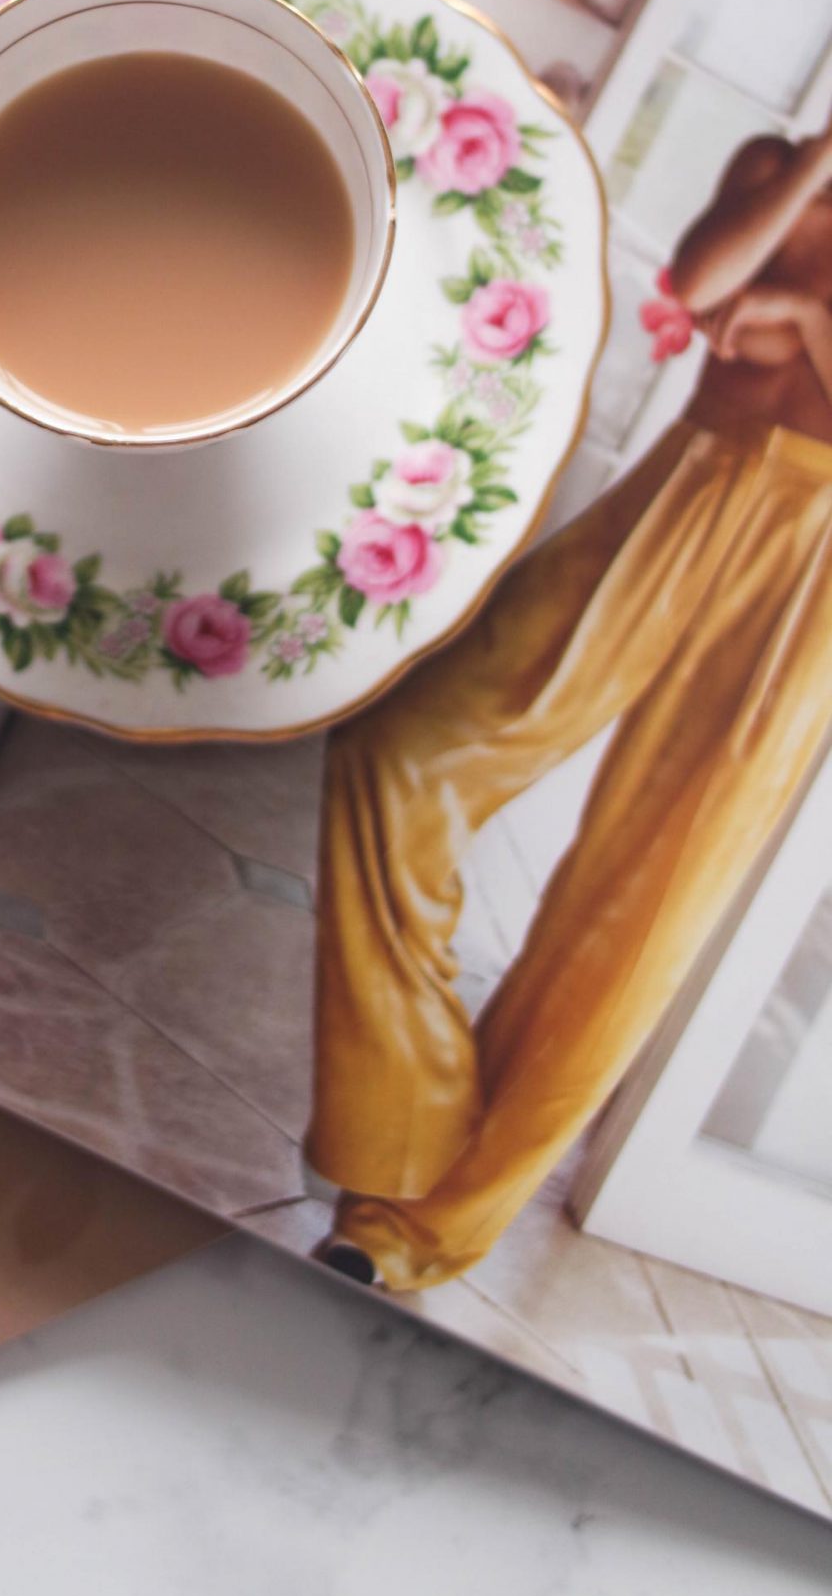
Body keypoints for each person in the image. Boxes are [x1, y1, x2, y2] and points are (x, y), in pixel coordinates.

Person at [308, 110, 832, 1290]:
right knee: (402, 755)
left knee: (643, 901)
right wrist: (815, 166)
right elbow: (696, 283)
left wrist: (796, 316)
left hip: (815, 569)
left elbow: (742, 314)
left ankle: (409, 1231)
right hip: (680, 486)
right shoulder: (772, 163)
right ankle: (407, 1119)